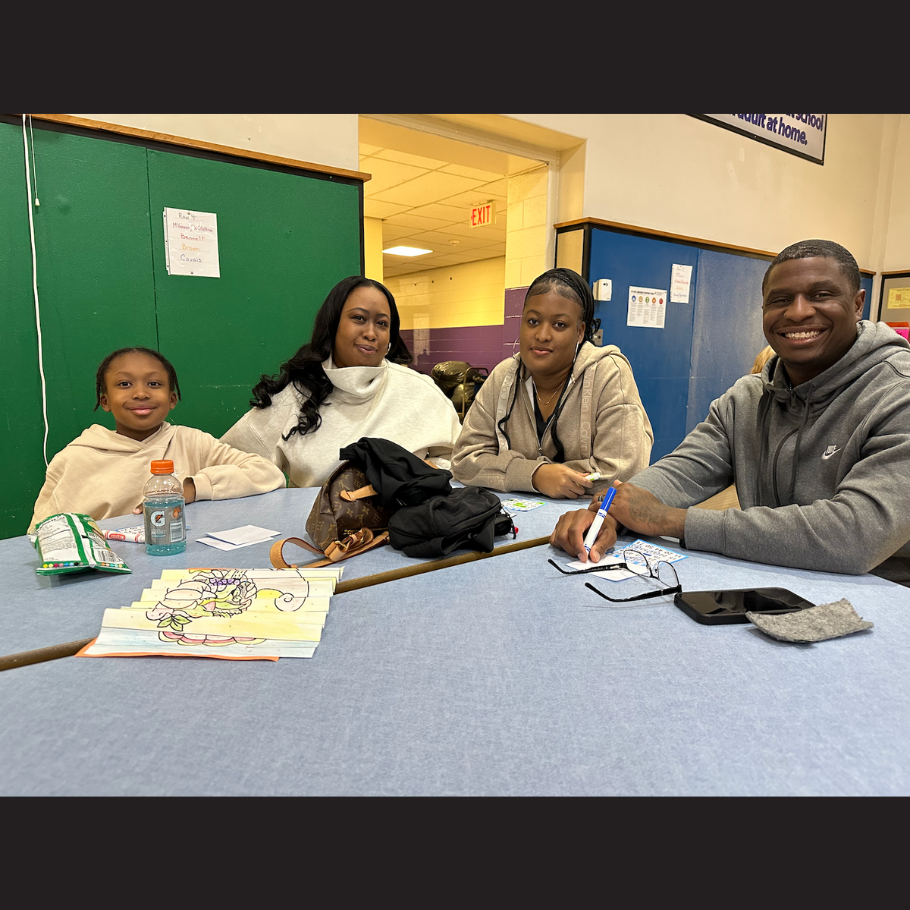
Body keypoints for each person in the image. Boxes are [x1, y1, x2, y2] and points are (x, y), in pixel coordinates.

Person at [551, 239, 910, 584]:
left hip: (885, 605)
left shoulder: (898, 393)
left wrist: (673, 521)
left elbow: (858, 535)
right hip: (779, 581)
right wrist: (610, 515)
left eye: (820, 295)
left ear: (858, 303)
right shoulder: (748, 398)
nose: (798, 311)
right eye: (780, 300)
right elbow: (683, 471)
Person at [221, 276, 461, 489]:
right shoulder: (294, 395)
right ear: (333, 325)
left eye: (382, 323)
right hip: (317, 532)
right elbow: (230, 460)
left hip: (406, 529)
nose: (371, 333)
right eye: (358, 318)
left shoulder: (420, 390)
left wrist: (424, 473)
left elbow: (458, 460)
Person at [28, 347, 287, 533]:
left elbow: (268, 474)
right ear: (104, 401)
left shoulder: (192, 442)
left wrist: (192, 488)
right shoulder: (74, 458)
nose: (141, 393)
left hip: (180, 560)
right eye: (125, 384)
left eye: (153, 384)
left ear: (172, 399)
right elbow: (42, 533)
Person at [451, 267, 653, 499]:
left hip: (591, 522)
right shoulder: (503, 376)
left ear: (580, 332)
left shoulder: (608, 374)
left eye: (559, 325)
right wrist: (535, 475)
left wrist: (510, 473)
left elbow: (623, 472)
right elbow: (464, 460)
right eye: (533, 321)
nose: (542, 335)